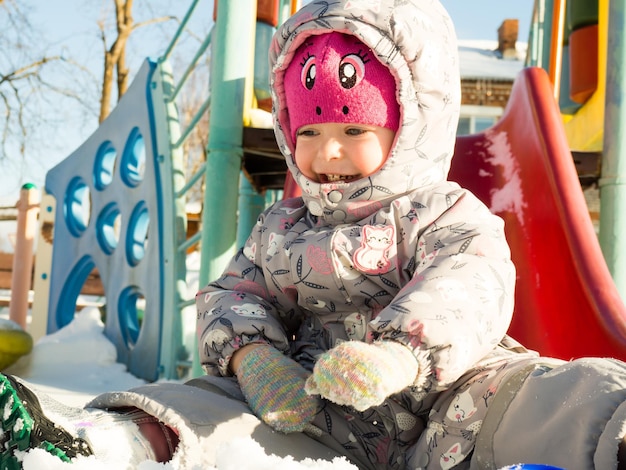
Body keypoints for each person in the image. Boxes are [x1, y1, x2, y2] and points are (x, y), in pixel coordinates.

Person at [2, 1, 626, 469]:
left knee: (555, 394)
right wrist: (254, 362)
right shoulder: (282, 229)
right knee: (201, 408)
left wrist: (399, 353)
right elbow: (229, 294)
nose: (326, 151)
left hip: (450, 401)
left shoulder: (443, 212)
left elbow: (471, 280)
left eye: (355, 131)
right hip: (314, 419)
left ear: (408, 124)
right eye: (307, 132)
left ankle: (614, 434)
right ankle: (97, 447)